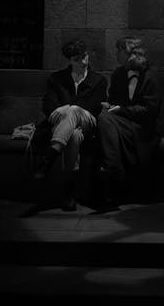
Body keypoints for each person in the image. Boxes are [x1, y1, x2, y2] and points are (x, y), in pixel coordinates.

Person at [31, 38, 107, 211]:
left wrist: (69, 108)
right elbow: (49, 105)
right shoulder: (57, 79)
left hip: (88, 121)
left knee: (73, 111)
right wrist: (65, 110)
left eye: (84, 56)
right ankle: (69, 192)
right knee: (73, 136)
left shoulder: (99, 80)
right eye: (77, 59)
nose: (82, 61)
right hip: (64, 125)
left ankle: (48, 159)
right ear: (69, 60)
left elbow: (95, 106)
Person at [96, 38, 162, 207]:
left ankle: (112, 169)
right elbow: (114, 100)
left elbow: (151, 110)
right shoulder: (118, 74)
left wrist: (122, 110)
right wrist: (109, 105)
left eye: (119, 51)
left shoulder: (150, 76)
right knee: (103, 116)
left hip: (141, 126)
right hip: (122, 122)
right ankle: (113, 169)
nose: (116, 54)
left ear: (128, 54)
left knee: (105, 120)